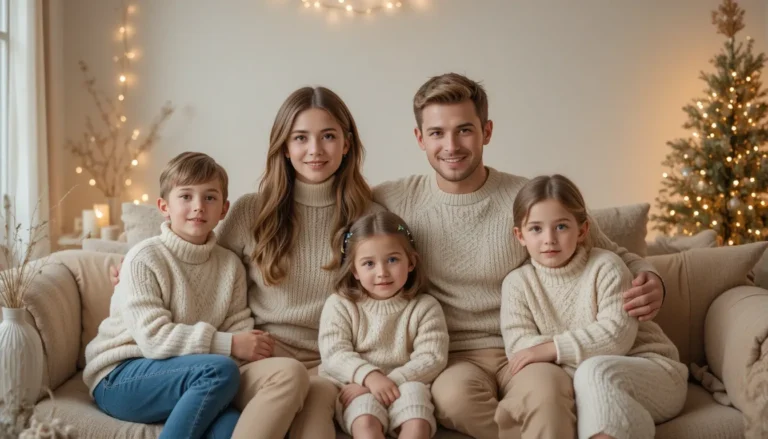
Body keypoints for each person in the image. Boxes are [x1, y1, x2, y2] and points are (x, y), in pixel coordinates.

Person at [373, 73, 667, 439]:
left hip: (528, 348)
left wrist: (653, 279)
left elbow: (617, 253)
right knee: (452, 401)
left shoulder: (526, 197)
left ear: (487, 131)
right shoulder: (394, 199)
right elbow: (331, 223)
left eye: (464, 130)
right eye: (436, 133)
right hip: (455, 356)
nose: (451, 145)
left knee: (546, 396)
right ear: (419, 138)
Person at [84, 152, 307, 439]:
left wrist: (239, 345)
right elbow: (153, 339)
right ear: (164, 206)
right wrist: (228, 344)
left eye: (210, 198)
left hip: (188, 379)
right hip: (121, 376)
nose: (198, 207)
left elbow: (237, 327)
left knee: (230, 428)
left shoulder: (230, 265)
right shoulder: (144, 257)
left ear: (224, 209)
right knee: (220, 370)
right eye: (186, 196)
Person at [216, 86, 384, 439]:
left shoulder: (369, 219)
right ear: (285, 147)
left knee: (319, 397)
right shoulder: (251, 211)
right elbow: (202, 270)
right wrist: (136, 265)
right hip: (262, 361)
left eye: (328, 136)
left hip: (333, 363)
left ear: (347, 143)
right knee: (292, 382)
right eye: (300, 138)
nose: (315, 150)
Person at [500, 174, 688, 439]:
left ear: (583, 230)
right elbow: (519, 348)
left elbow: (615, 338)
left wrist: (551, 349)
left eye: (562, 227)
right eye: (536, 229)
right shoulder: (517, 284)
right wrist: (582, 347)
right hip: (590, 384)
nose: (549, 239)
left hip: (654, 373)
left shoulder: (606, 266)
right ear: (519, 235)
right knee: (584, 382)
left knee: (593, 370)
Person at [318, 211, 448, 439]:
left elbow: (432, 357)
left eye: (392, 260)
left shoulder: (425, 306)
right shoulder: (340, 304)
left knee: (417, 424)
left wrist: (387, 382)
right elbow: (334, 353)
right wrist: (369, 378)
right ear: (355, 271)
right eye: (369, 263)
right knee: (365, 423)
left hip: (408, 381)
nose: (382, 272)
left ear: (411, 262)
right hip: (355, 383)